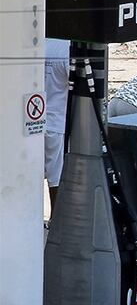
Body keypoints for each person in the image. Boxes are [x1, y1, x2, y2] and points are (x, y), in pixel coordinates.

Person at [44, 39, 70, 208]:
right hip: (56, 122)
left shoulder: (41, 43)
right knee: (56, 177)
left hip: (31, 120)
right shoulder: (66, 48)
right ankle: (56, 221)